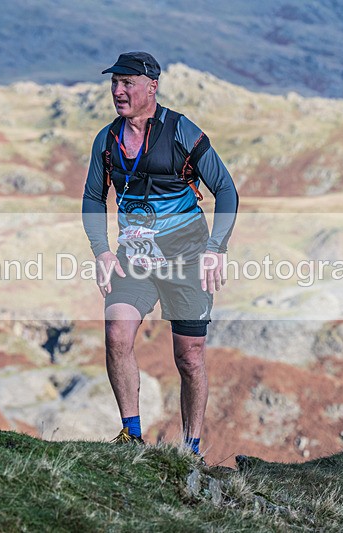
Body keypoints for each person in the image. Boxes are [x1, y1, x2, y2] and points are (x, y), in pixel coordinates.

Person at [81, 52, 238, 456]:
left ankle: (191, 449)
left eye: (127, 83)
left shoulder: (182, 131)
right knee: (117, 334)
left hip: (187, 258)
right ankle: (131, 435)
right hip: (134, 258)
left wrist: (216, 249)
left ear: (152, 87)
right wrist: (101, 252)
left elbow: (226, 190)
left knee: (189, 357)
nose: (118, 91)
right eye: (114, 83)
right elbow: (93, 198)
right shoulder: (107, 140)